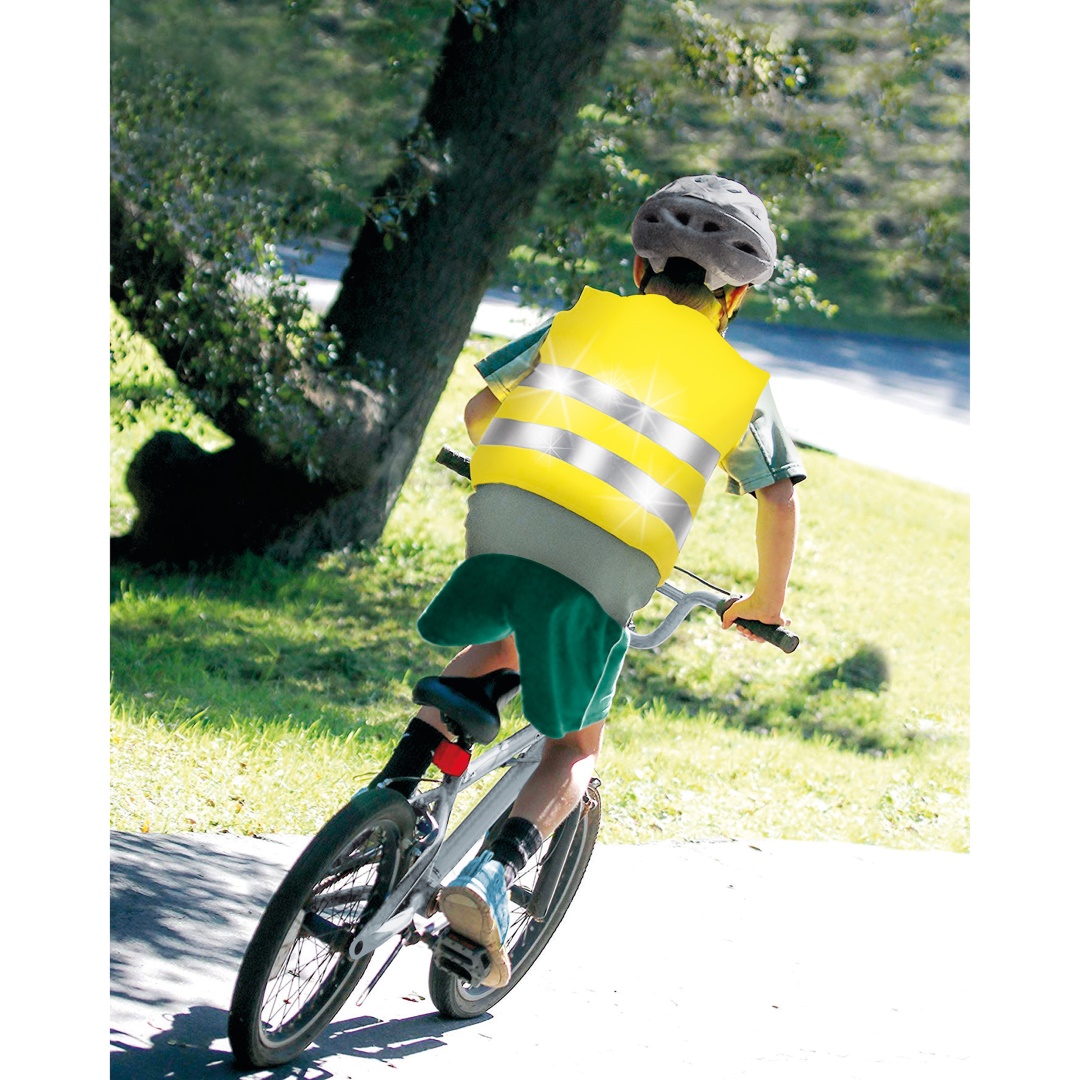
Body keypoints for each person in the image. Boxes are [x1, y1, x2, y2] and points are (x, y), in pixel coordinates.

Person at [369, 174, 804, 989]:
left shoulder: (579, 321)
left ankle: (387, 797)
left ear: (639, 268)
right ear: (736, 297)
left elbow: (480, 411)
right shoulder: (741, 387)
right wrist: (765, 605)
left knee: (498, 641)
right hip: (606, 566)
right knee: (574, 750)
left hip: (501, 525)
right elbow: (777, 501)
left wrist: (520, 468)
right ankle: (492, 878)